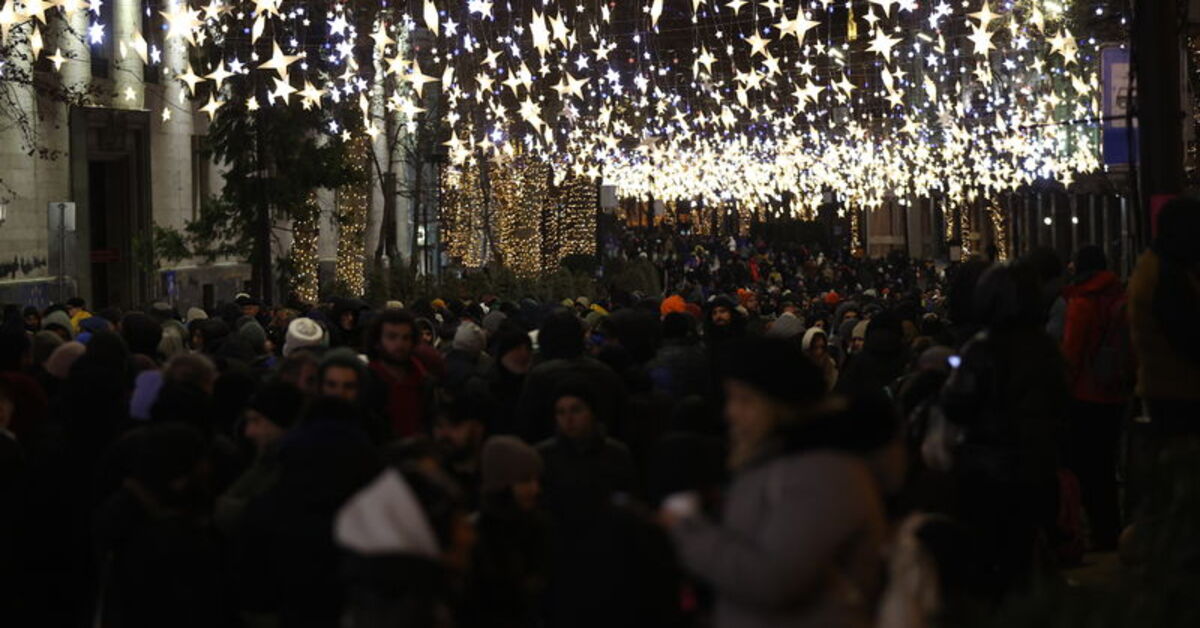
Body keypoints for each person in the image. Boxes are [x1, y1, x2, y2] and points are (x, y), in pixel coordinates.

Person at [661, 338, 886, 628]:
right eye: (731, 399)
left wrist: (686, 530)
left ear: (779, 403)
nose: (731, 413)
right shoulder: (773, 462)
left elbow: (775, 580)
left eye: (745, 400)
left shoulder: (822, 472)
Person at [1126, 197, 1200, 517]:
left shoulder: (1156, 266)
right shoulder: (1166, 274)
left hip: (1165, 391)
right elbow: (1188, 337)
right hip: (1178, 395)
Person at [1059, 245, 1130, 550]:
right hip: (1117, 391)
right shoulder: (1121, 298)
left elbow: (1072, 353)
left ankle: (1097, 532)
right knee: (1107, 465)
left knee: (1087, 466)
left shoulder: (1081, 303)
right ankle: (1112, 527)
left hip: (1086, 394)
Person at [466, 436, 552, 628]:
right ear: (501, 486)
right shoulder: (475, 535)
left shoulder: (539, 527)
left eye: (536, 480)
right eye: (525, 480)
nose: (535, 488)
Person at [215, 381, 305, 535]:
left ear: (280, 423)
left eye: (256, 421)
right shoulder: (262, 462)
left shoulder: (290, 471)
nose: (249, 432)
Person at [365, 310, 431, 439]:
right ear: (377, 342)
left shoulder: (424, 381)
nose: (400, 344)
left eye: (406, 338)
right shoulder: (365, 382)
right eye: (392, 337)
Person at [803, 327, 839, 391]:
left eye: (822, 347)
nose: (819, 351)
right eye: (815, 347)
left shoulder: (831, 369)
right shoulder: (800, 370)